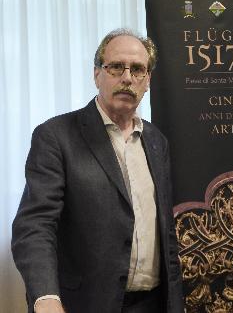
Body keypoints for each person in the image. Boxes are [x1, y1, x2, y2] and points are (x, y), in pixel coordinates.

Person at [11, 29, 184, 313]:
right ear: (97, 74)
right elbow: (35, 226)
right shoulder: (55, 136)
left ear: (148, 81)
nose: (127, 78)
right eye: (116, 67)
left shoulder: (156, 141)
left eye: (138, 69)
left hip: (153, 303)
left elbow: (167, 237)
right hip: (83, 304)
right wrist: (45, 296)